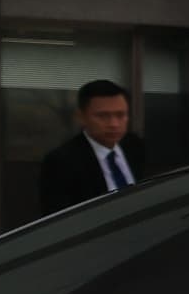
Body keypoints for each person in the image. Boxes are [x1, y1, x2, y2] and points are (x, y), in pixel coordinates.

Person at [37, 80, 146, 213]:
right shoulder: (62, 162)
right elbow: (60, 216)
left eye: (120, 115)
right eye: (103, 116)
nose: (114, 124)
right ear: (81, 117)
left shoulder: (136, 146)